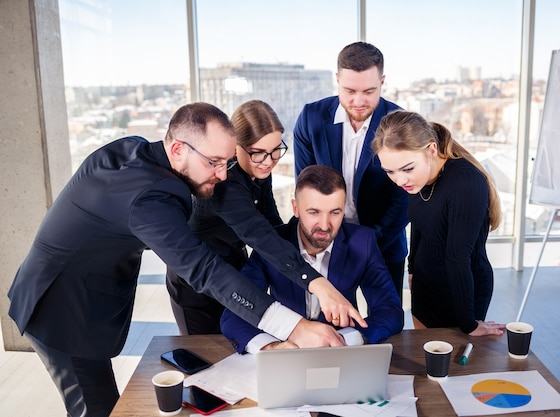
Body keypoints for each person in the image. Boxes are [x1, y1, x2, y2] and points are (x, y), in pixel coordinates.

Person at [7, 102, 365, 417]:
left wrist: (316, 282)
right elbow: (204, 270)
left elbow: (260, 232)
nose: (223, 175)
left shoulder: (138, 150)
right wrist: (295, 327)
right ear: (178, 148)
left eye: (226, 162)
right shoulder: (150, 199)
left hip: (80, 294)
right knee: (96, 410)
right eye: (213, 163)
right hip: (61, 309)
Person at [167, 100, 345, 335]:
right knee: (205, 354)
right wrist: (316, 282)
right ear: (234, 147)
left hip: (236, 269)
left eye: (275, 151)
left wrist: (312, 232)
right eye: (258, 153)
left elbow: (272, 222)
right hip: (198, 285)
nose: (269, 161)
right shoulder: (223, 182)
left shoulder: (260, 169)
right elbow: (259, 234)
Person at [221, 165, 404, 353]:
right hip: (287, 349)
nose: (324, 226)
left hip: (341, 352)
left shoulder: (363, 241)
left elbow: (389, 310)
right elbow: (234, 314)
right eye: (314, 212)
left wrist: (347, 340)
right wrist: (271, 348)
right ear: (296, 208)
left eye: (335, 212)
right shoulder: (271, 244)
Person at [371, 110, 506, 336]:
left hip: (461, 293)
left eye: (407, 169)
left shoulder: (465, 182)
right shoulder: (416, 179)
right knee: (425, 361)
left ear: (431, 150)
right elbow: (418, 225)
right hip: (425, 286)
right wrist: (412, 269)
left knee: (457, 365)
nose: (399, 180)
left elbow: (458, 256)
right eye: (390, 171)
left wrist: (469, 324)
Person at [293, 41, 408, 301]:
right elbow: (306, 188)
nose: (358, 101)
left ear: (383, 81)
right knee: (333, 326)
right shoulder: (311, 118)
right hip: (327, 241)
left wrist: (367, 242)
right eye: (349, 90)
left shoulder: (400, 122)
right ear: (337, 80)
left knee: (389, 323)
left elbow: (403, 199)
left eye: (369, 91)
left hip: (385, 243)